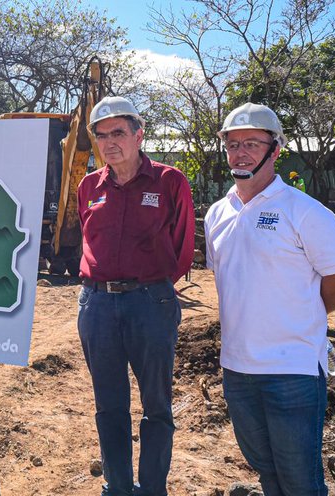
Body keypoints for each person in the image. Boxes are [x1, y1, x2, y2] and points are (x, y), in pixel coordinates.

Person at [205, 102, 335, 495]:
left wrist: (302, 311)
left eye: (252, 144)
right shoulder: (216, 215)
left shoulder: (305, 212)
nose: (240, 153)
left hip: (292, 370)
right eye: (233, 144)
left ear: (275, 150)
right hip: (237, 370)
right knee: (267, 472)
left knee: (300, 480)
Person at [76, 96, 195, 496]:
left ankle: (153, 487)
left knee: (156, 404)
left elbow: (182, 246)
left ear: (139, 135)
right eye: (102, 135)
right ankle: (118, 485)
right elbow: (88, 238)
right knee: (109, 404)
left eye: (119, 133)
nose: (110, 142)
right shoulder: (89, 186)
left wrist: (152, 286)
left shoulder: (169, 181)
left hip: (151, 303)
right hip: (97, 305)